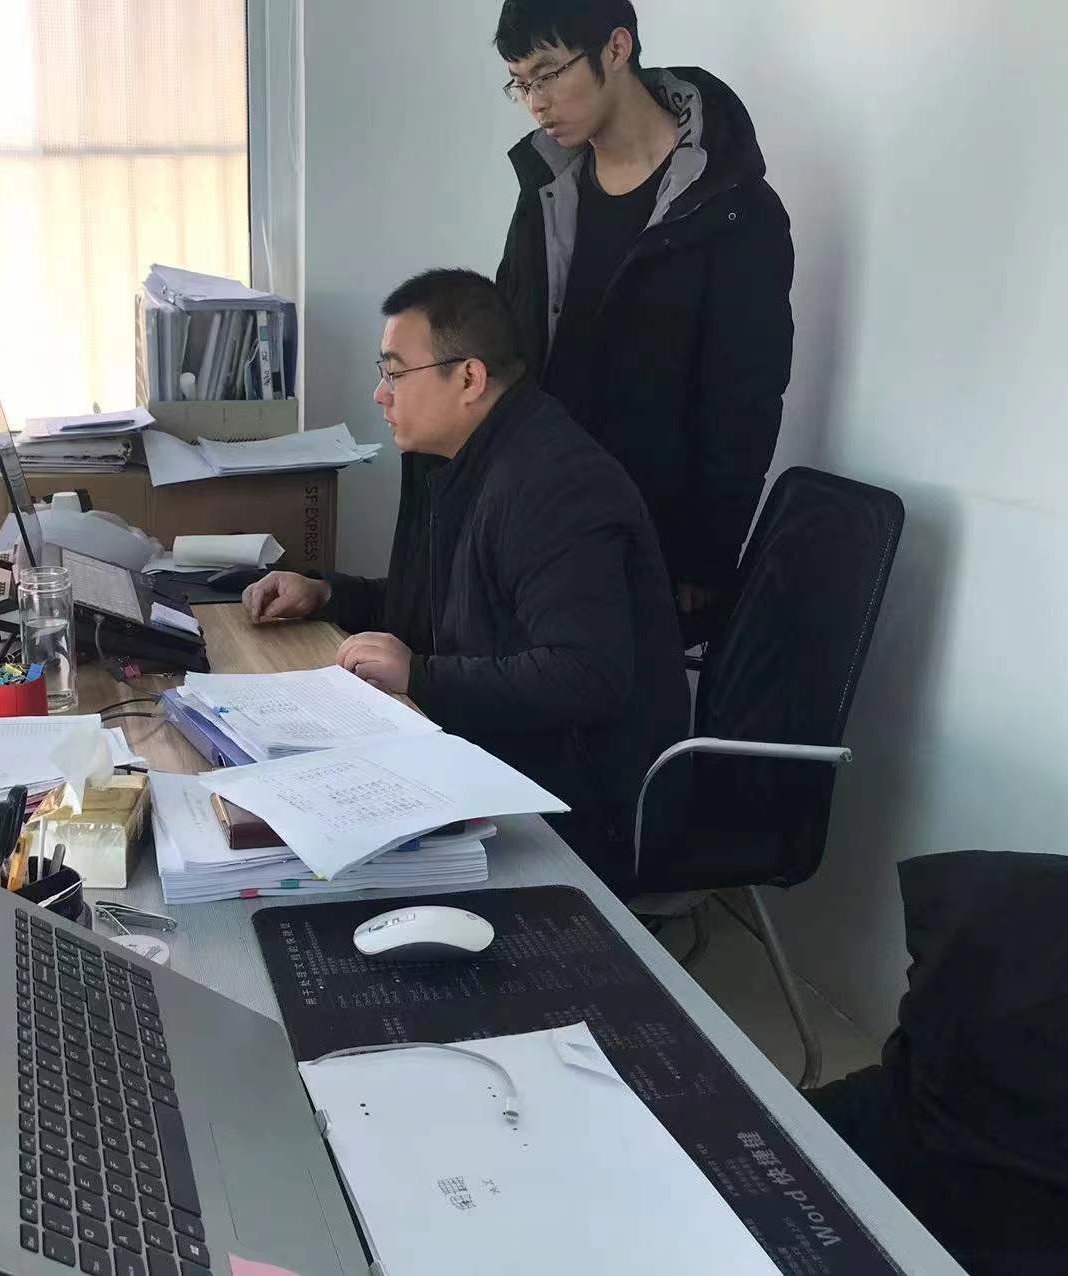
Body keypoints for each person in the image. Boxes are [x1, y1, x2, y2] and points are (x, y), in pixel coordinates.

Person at [243, 269, 687, 891]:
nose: (380, 394)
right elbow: (446, 607)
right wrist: (327, 594)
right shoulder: (466, 460)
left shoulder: (556, 483)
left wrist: (421, 675)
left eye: (395, 373)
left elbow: (586, 675)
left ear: (470, 378)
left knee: (321, 861)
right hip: (500, 753)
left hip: (575, 802)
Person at [491, 0, 795, 644]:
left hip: (651, 535)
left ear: (616, 48)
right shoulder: (546, 190)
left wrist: (705, 554)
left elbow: (744, 399)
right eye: (520, 84)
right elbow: (510, 345)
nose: (536, 103)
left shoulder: (732, 209)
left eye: (549, 74)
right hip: (540, 521)